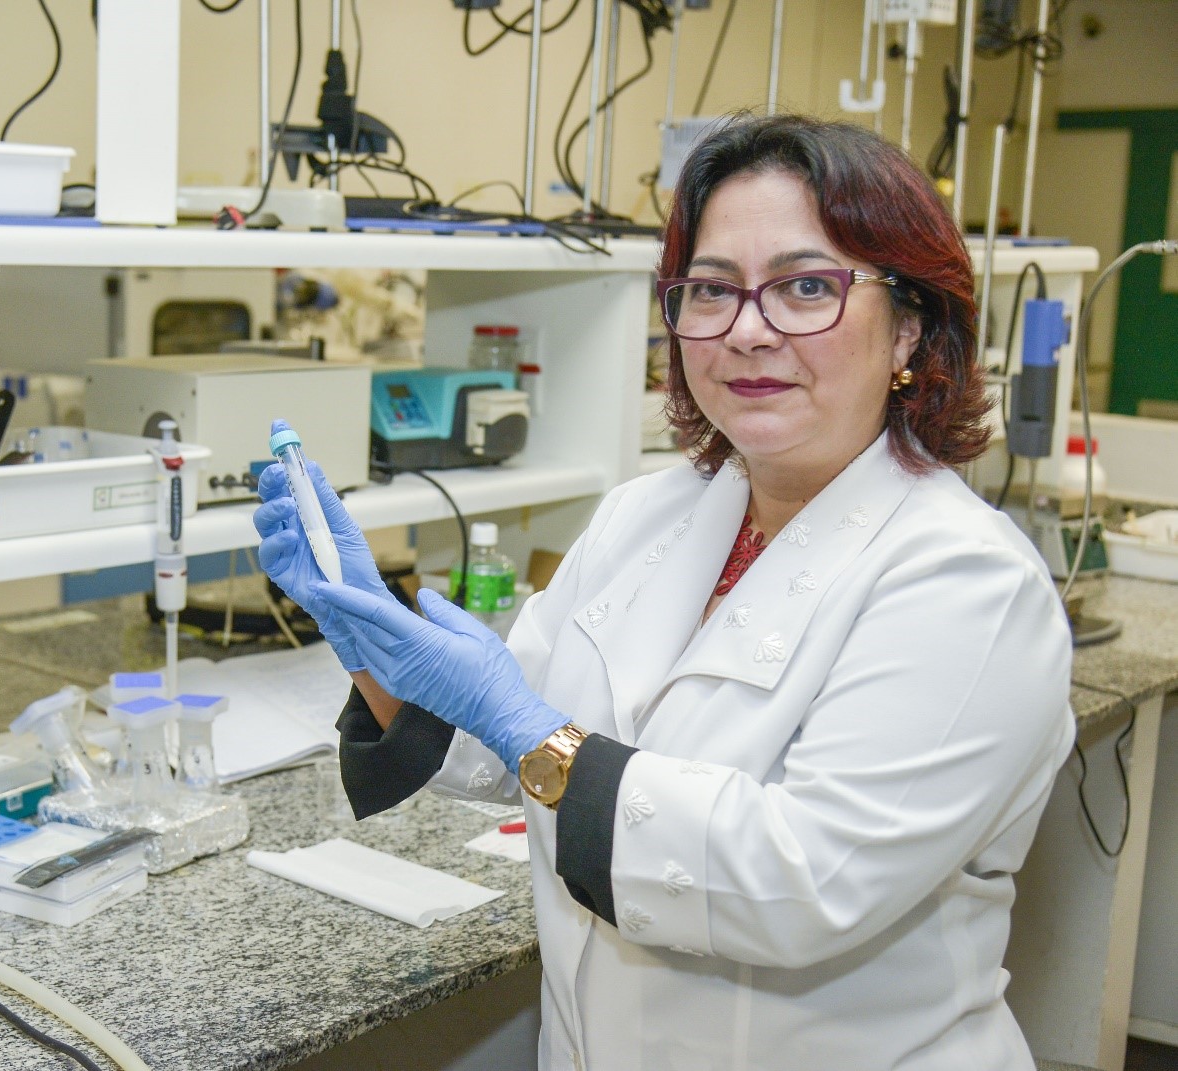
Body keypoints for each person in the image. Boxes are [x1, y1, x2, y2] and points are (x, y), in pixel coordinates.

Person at [253, 114, 1074, 1071]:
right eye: (712, 291)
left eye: (807, 287)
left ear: (911, 327)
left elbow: (802, 882)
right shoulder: (649, 516)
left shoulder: (969, 583)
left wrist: (519, 720)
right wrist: (372, 635)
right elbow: (504, 751)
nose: (749, 331)